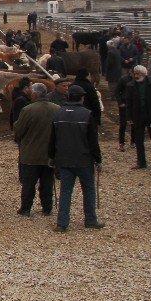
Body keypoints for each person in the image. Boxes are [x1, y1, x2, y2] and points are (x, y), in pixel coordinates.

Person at [48, 86, 104, 233]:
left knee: (65, 191)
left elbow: (53, 139)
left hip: (64, 159)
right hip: (84, 160)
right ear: (81, 98)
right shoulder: (87, 114)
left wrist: (51, 157)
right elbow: (93, 141)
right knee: (89, 190)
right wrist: (98, 159)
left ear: (68, 97)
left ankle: (62, 223)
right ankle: (90, 220)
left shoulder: (58, 114)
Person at [13, 83, 59, 216]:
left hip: (30, 154)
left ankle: (26, 208)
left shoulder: (28, 110)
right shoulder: (57, 109)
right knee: (47, 183)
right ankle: (47, 208)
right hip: (49, 154)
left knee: (29, 183)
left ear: (34, 94)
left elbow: (18, 130)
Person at [125, 65, 151, 169]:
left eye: (138, 73)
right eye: (135, 73)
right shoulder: (131, 85)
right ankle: (141, 162)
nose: (136, 75)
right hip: (138, 116)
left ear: (144, 73)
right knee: (139, 140)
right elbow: (128, 102)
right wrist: (129, 117)